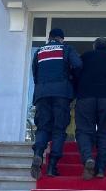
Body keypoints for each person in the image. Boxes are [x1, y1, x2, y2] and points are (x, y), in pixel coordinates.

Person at [30, 28, 82, 179]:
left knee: (43, 127)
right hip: (61, 94)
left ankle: (38, 153)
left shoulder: (39, 51)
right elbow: (78, 65)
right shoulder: (66, 49)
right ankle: (52, 167)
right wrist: (73, 80)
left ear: (50, 38)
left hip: (42, 93)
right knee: (59, 129)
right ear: (61, 38)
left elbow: (35, 73)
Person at [74, 37, 106, 180]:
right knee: (104, 133)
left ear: (94, 46)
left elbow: (74, 75)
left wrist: (74, 94)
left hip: (85, 99)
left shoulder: (84, 58)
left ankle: (88, 158)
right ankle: (101, 168)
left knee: (84, 131)